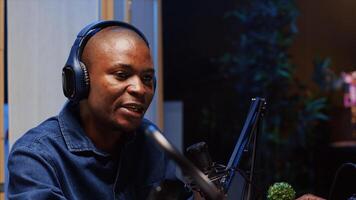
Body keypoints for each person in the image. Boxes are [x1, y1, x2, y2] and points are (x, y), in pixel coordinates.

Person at [7, 20, 176, 200]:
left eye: (147, 78)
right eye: (121, 75)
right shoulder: (35, 157)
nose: (140, 89)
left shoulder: (152, 143)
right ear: (80, 81)